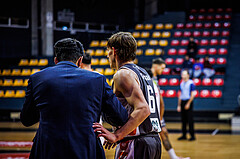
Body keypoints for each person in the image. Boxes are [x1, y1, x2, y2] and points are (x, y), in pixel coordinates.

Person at [20, 38, 128, 159]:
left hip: (47, 150)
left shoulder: (37, 78)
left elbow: (26, 119)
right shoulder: (98, 80)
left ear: (56, 60)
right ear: (80, 60)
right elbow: (121, 117)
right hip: (86, 150)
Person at [93, 32, 162, 159]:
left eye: (107, 51)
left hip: (137, 143)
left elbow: (143, 109)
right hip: (153, 141)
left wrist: (117, 135)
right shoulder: (142, 72)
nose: (107, 56)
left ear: (114, 51)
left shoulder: (123, 74)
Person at [150, 58, 190, 159]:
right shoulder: (148, 77)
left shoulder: (155, 78)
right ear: (156, 66)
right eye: (162, 68)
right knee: (154, 137)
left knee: (164, 133)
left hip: (158, 113)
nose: (163, 71)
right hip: (152, 114)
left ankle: (173, 157)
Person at [177, 70, 196, 141]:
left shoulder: (191, 83)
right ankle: (184, 135)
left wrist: (188, 103)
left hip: (188, 102)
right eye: (182, 74)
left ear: (188, 75)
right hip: (182, 102)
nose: (183, 76)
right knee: (183, 120)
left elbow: (192, 95)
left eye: (184, 74)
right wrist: (179, 105)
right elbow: (180, 94)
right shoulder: (181, 83)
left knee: (190, 120)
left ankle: (192, 136)